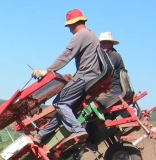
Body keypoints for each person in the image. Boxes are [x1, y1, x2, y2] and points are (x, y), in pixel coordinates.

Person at [31, 9, 100, 147]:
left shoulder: (81, 35)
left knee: (59, 103)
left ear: (74, 23)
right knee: (66, 107)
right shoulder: (92, 35)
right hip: (93, 77)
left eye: (69, 26)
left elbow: (66, 55)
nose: (69, 30)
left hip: (84, 76)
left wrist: (47, 71)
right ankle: (42, 135)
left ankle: (78, 130)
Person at [95, 32, 125, 109]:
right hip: (112, 90)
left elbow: (104, 73)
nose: (102, 45)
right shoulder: (107, 56)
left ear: (111, 44)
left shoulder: (113, 56)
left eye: (105, 42)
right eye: (101, 43)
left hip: (113, 91)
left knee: (92, 106)